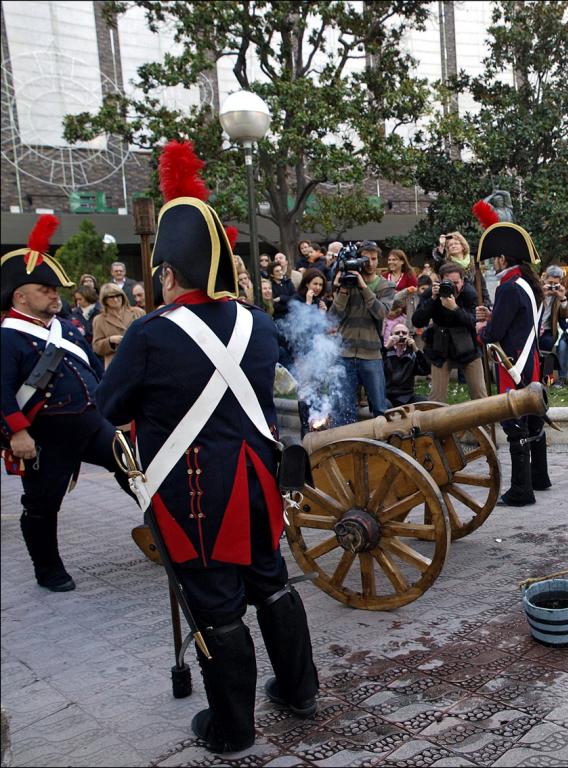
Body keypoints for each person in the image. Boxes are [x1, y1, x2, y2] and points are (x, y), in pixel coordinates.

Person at [96, 141, 318, 754]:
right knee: (271, 582)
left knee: (217, 604)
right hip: (255, 482)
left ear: (169, 270)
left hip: (193, 492)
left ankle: (232, 731)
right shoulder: (258, 322)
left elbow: (106, 411)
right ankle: (301, 692)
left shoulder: (149, 334)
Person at [1, 215, 132, 592]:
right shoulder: (8, 339)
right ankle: (48, 570)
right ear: (19, 297)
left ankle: (163, 535)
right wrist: (18, 432)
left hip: (93, 424)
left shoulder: (66, 330)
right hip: (45, 437)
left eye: (55, 289)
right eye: (45, 289)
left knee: (136, 474)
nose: (55, 294)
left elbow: (95, 371)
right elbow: (2, 390)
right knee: (42, 504)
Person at [473, 211, 550, 506]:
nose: (493, 263)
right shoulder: (526, 285)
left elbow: (495, 333)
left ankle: (521, 489)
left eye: (495, 259)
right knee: (532, 420)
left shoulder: (507, 288)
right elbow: (518, 321)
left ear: (503, 259)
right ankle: (539, 477)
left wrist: (481, 329)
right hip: (530, 361)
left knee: (513, 423)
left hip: (512, 364)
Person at [328, 241, 393, 424]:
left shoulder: (385, 286)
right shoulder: (346, 283)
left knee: (379, 407)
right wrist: (343, 290)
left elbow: (381, 312)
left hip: (371, 355)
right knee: (344, 408)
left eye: (374, 259)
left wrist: (364, 288)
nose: (370, 263)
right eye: (366, 259)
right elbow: (333, 316)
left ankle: (382, 444)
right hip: (345, 353)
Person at [412, 261, 487, 403]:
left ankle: (485, 423)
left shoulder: (469, 292)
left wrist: (455, 308)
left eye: (456, 282)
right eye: (449, 283)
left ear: (463, 281)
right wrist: (433, 300)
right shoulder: (432, 293)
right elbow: (417, 321)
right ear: (440, 281)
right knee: (436, 398)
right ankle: (435, 424)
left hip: (467, 345)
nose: (453, 287)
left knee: (479, 393)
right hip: (441, 346)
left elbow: (473, 322)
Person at [92, 283, 145, 369]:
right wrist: (110, 341)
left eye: (118, 295)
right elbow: (96, 347)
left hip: (140, 361)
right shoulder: (99, 320)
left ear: (123, 296)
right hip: (116, 366)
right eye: (111, 297)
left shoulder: (138, 312)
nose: (116, 299)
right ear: (104, 300)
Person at [383, 322, 430, 406]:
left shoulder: (413, 354)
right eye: (397, 333)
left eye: (404, 333)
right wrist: (386, 346)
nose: (401, 335)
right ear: (391, 336)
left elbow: (426, 370)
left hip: (407, 396)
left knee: (425, 403)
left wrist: (416, 349)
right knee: (385, 405)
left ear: (409, 336)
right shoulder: (386, 352)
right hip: (388, 396)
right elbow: (376, 366)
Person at [537, 265, 568, 382]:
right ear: (545, 279)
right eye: (550, 282)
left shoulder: (558, 294)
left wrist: (562, 298)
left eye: (555, 283)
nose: (552, 286)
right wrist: (542, 295)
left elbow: (567, 314)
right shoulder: (537, 289)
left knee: (546, 343)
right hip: (532, 328)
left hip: (547, 330)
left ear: (560, 283)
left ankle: (545, 376)